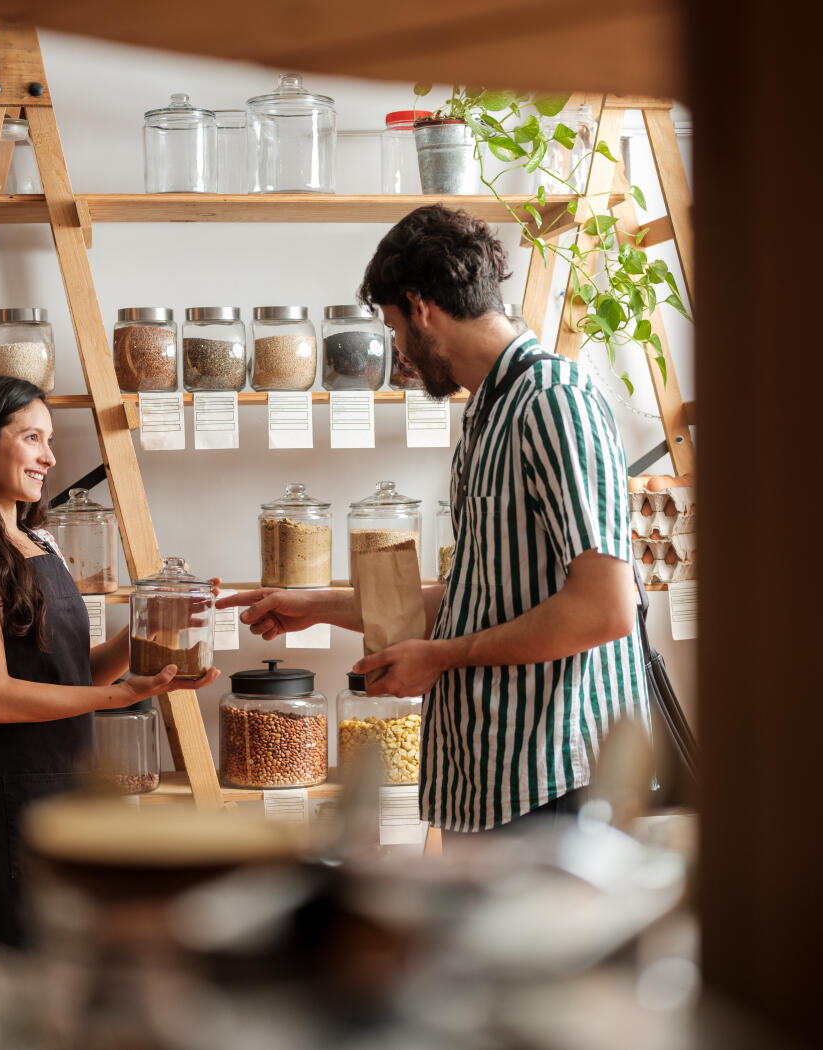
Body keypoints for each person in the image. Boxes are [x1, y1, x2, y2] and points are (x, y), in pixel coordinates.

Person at [221, 205, 648, 835]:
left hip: (555, 781)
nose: (399, 354)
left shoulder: (555, 401)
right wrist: (318, 604)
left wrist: (442, 658)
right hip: (494, 773)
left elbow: (603, 610)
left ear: (421, 307)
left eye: (394, 329)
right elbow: (484, 597)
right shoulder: (489, 412)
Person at [0, 375, 220, 945]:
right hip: (12, 790)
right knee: (25, 963)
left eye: (48, 441)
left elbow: (75, 669)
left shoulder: (41, 541)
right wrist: (126, 696)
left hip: (74, 781)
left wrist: (158, 630)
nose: (49, 457)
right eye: (33, 438)